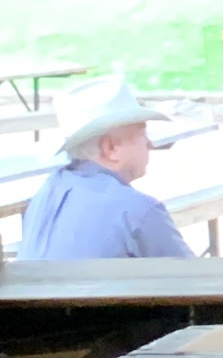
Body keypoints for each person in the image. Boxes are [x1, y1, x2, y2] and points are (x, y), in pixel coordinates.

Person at [14, 78, 192, 261]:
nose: (150, 143)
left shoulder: (49, 188)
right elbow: (193, 275)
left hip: (34, 281)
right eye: (142, 134)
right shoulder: (138, 210)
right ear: (110, 148)